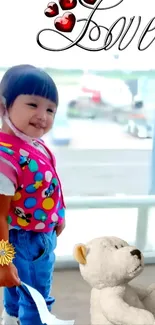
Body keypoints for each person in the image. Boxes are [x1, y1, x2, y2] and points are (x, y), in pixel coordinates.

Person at [0, 64, 66, 325]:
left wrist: (59, 215)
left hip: (38, 233)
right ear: (3, 106)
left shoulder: (32, 144)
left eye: (50, 109)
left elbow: (48, 185)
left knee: (19, 288)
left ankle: (11, 317)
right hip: (27, 240)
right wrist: (3, 262)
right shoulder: (5, 159)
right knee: (37, 297)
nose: (43, 116)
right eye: (32, 105)